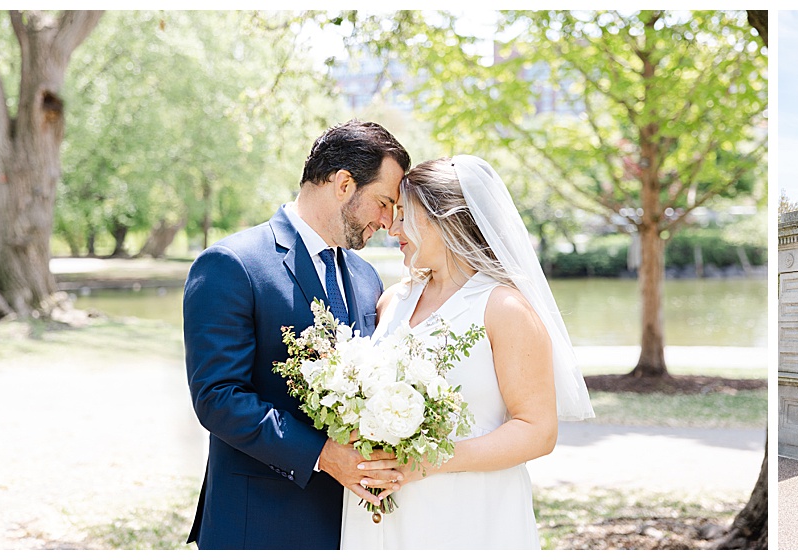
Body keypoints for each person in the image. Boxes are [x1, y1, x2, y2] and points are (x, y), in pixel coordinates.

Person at [342, 155, 595, 549]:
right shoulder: (392, 301)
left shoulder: (503, 308)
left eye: (404, 215)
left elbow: (537, 431)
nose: (391, 228)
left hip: (469, 517)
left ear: (442, 219)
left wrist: (424, 463)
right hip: (381, 519)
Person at [183, 120, 411, 549]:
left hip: (351, 525)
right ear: (344, 184)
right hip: (261, 522)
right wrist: (325, 455)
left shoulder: (366, 278)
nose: (386, 221)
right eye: (383, 203)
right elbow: (218, 397)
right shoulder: (232, 264)